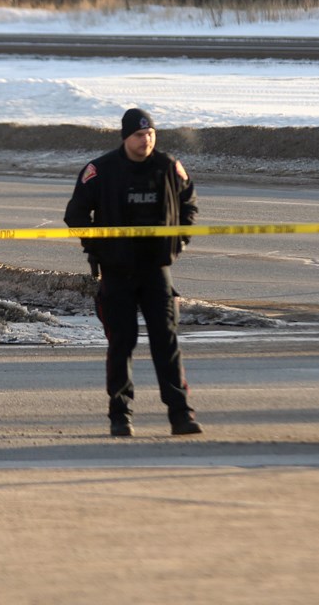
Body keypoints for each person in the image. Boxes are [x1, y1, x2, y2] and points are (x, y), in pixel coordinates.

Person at [64, 108, 202, 437]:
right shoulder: (101, 170)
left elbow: (189, 203)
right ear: (126, 137)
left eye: (150, 134)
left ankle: (181, 414)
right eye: (139, 136)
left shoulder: (168, 167)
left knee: (166, 342)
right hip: (117, 272)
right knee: (121, 342)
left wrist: (181, 238)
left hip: (156, 270)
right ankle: (120, 414)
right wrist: (97, 247)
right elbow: (76, 214)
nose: (146, 140)